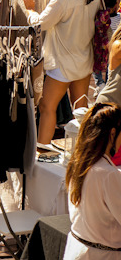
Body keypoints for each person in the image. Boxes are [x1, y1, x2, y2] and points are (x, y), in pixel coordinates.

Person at [24, 0, 101, 151]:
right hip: (84, 62)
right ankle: (82, 152)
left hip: (61, 64)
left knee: (47, 108)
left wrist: (30, 10)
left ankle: (42, 150)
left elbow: (40, 24)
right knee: (81, 111)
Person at [62, 102, 121, 258]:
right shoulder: (108, 174)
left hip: (77, 250)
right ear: (113, 133)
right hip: (101, 254)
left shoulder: (78, 163)